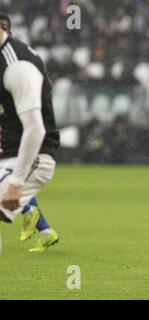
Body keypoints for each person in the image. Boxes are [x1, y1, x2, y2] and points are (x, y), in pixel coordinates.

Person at [0, 12, 60, 253]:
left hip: (34, 155)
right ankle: (44, 230)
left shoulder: (17, 66)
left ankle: (43, 229)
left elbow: (36, 128)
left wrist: (16, 182)